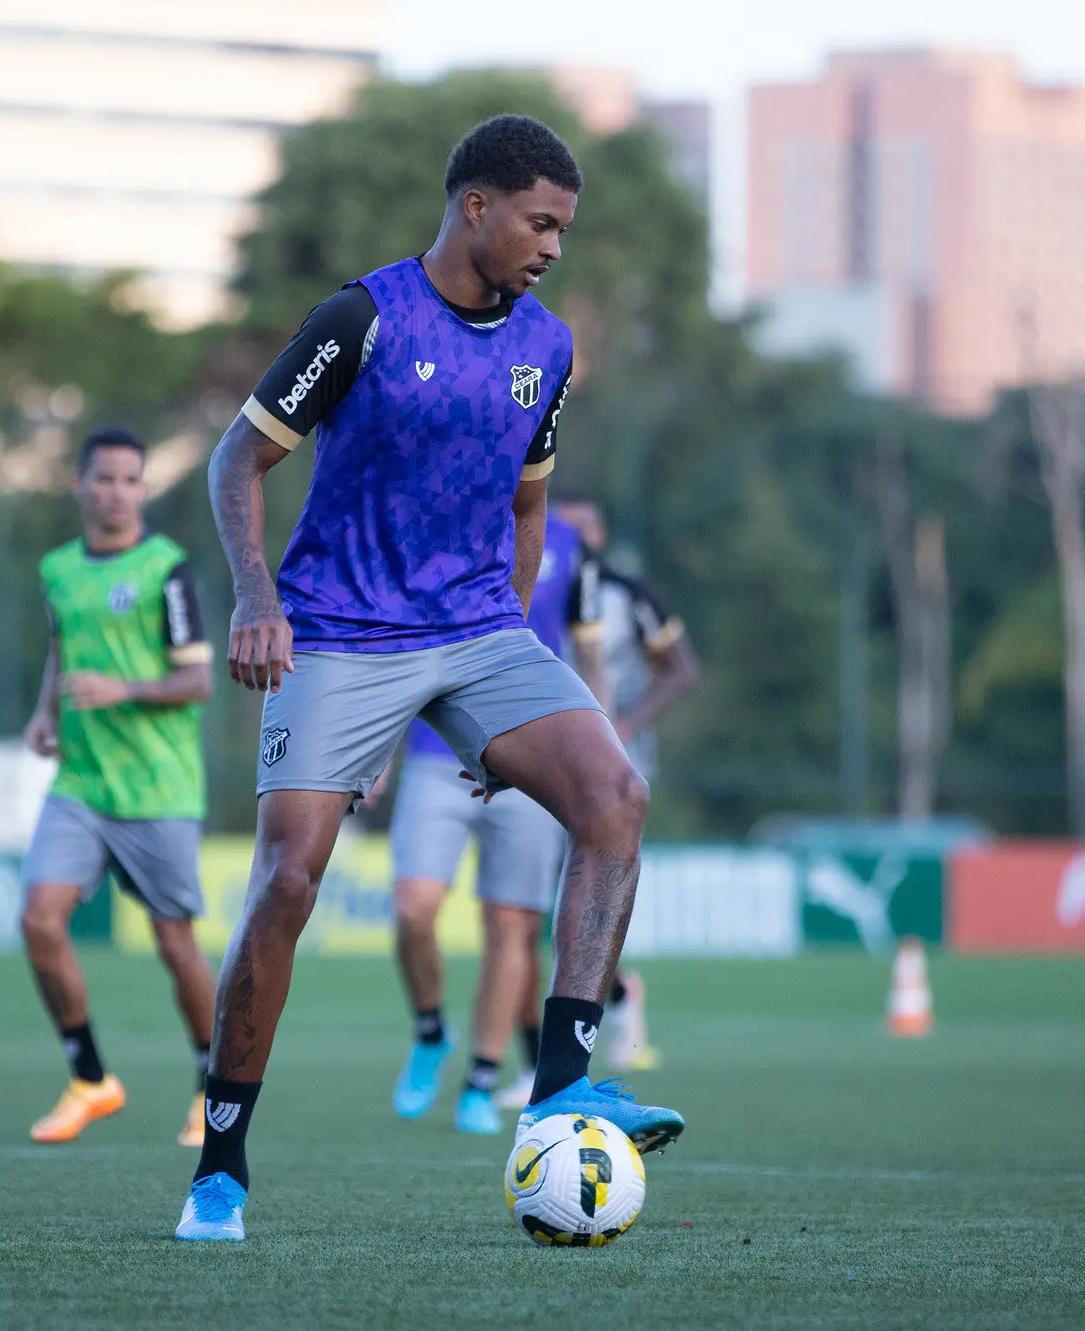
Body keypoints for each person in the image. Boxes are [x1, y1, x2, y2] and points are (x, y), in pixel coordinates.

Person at [177, 114, 682, 1242]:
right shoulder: (359, 318)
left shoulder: (545, 347)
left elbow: (529, 508)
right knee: (289, 883)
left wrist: (501, 693)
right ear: (476, 207)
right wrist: (258, 599)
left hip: (478, 631)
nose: (553, 247)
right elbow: (237, 458)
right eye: (540, 223)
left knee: (615, 799)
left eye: (563, 228)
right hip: (340, 632)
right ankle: (220, 1161)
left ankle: (560, 1085)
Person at [18, 427, 219, 1149]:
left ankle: (211, 1087)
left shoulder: (167, 569)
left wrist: (122, 688)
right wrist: (45, 710)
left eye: (131, 480)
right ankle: (90, 1078)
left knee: (174, 944)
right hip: (80, 781)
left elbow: (197, 678)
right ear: (80, 485)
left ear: (143, 489)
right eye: (104, 478)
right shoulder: (58, 570)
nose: (117, 491)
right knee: (40, 920)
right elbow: (62, 647)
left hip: (158, 787)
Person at [379, 508, 603, 1135]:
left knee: (511, 927)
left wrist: (600, 747)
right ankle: (430, 1032)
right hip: (434, 753)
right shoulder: (439, 522)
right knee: (412, 908)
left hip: (534, 753)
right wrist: (375, 756)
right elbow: (397, 652)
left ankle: (482, 1078)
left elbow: (587, 651)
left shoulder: (568, 544)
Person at [527, 497, 702, 1075]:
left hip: (612, 755)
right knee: (540, 900)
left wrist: (626, 722)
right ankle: (609, 1002)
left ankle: (585, 1028)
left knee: (585, 879)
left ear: (599, 536)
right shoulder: (526, 580)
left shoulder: (632, 595)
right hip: (538, 747)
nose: (569, 539)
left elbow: (681, 668)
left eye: (581, 529)